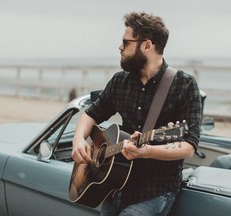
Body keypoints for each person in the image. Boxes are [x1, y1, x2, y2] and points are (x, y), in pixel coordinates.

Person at [71, 11, 202, 216]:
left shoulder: (184, 85)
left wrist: (148, 151)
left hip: (154, 191)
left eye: (126, 42)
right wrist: (79, 139)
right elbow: (90, 114)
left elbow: (188, 146)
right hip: (115, 187)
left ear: (147, 45)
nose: (120, 47)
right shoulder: (119, 81)